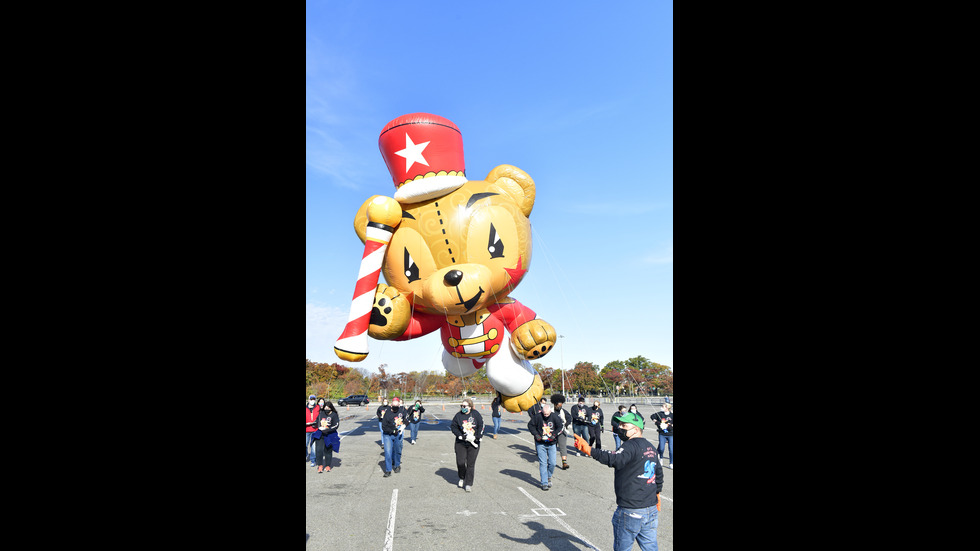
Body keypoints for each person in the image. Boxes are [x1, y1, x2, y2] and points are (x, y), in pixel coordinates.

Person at [574, 411, 663, 551]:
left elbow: (614, 458)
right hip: (650, 508)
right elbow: (658, 473)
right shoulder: (650, 447)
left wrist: (589, 450)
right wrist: (657, 493)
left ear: (635, 429)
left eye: (624, 425)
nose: (620, 427)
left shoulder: (629, 446)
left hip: (631, 509)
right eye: (620, 424)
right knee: (650, 547)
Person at [528, 400, 564, 490]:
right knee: (543, 463)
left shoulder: (555, 417)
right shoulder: (537, 417)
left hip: (551, 443)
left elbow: (560, 427)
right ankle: (544, 483)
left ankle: (548, 476)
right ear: (542, 412)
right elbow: (530, 425)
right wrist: (536, 435)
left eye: (547, 414)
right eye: (544, 414)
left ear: (550, 412)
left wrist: (554, 435)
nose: (546, 416)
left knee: (552, 463)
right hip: (540, 443)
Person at [450, 398, 484, 492]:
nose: (462, 408)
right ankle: (462, 477)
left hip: (473, 443)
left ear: (470, 407)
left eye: (464, 406)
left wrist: (478, 436)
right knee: (460, 462)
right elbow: (453, 426)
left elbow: (481, 425)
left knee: (470, 464)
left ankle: (468, 483)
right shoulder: (458, 416)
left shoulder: (475, 414)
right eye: (461, 406)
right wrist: (460, 436)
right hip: (461, 442)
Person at [380, 396, 407, 477]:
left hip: (398, 434)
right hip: (388, 434)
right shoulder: (387, 413)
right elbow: (384, 426)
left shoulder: (402, 411)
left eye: (397, 406)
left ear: (399, 405)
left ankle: (397, 465)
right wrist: (393, 431)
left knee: (398, 450)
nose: (395, 408)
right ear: (391, 405)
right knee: (388, 452)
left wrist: (404, 426)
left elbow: (407, 419)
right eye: (394, 406)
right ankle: (388, 470)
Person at [314, 400, 340, 473]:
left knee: (328, 450)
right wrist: (316, 424)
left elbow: (336, 425)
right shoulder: (321, 413)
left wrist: (328, 429)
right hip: (321, 433)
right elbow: (317, 421)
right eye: (325, 407)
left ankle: (328, 465)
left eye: (328, 408)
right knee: (319, 450)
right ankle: (320, 465)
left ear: (331, 408)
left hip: (330, 434)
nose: (326, 409)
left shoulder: (334, 414)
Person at [551, 394, 572, 470]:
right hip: (552, 431)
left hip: (562, 431)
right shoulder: (550, 411)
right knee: (552, 447)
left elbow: (569, 418)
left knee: (563, 447)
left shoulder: (564, 412)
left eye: (561, 405)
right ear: (555, 404)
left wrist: (567, 423)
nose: (560, 407)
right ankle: (552, 461)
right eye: (559, 406)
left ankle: (564, 462)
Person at [651, 402, 673, 469]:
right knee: (661, 448)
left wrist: (670, 425)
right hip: (662, 434)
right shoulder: (660, 414)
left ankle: (671, 463)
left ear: (667, 408)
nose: (662, 408)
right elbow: (652, 416)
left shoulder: (672, 415)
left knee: (671, 449)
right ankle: (661, 458)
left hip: (670, 434)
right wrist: (656, 421)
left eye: (663, 407)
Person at [306, 394, 320, 467]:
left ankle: (313, 460)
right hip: (306, 429)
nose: (312, 401)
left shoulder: (318, 407)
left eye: (314, 399)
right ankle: (306, 454)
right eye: (311, 399)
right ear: (308, 400)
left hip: (315, 429)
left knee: (313, 447)